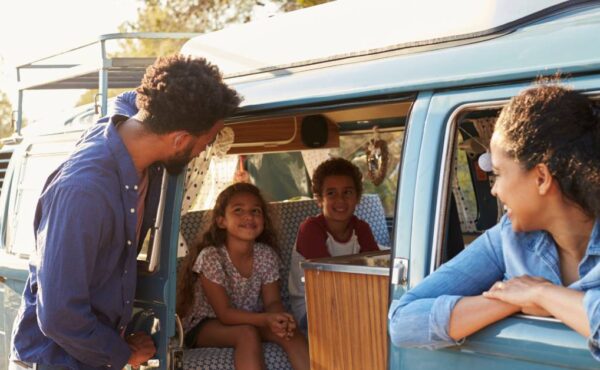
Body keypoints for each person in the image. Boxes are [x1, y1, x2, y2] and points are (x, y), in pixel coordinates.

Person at [10, 55, 241, 370]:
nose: (204, 150)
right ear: (180, 140)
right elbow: (59, 315)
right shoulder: (84, 192)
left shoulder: (136, 121)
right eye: (206, 142)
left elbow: (130, 98)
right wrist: (123, 353)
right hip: (57, 360)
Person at [388, 83, 600, 360]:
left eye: (499, 173)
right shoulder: (507, 238)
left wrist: (541, 293)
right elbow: (404, 321)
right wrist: (510, 301)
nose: (494, 189)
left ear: (541, 178)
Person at [177, 182, 310, 370]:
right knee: (246, 334)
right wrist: (265, 319)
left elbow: (272, 302)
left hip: (254, 318)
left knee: (289, 333)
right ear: (221, 220)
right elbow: (224, 314)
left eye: (256, 211)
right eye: (238, 210)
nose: (248, 216)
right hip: (207, 325)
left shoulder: (266, 255)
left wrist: (278, 318)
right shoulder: (211, 257)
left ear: (264, 220)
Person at [288, 157, 380, 331]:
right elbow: (325, 284)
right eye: (331, 193)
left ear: (357, 197)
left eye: (347, 192)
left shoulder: (362, 229)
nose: (340, 200)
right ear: (319, 199)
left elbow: (375, 273)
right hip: (312, 309)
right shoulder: (311, 229)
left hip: (353, 303)